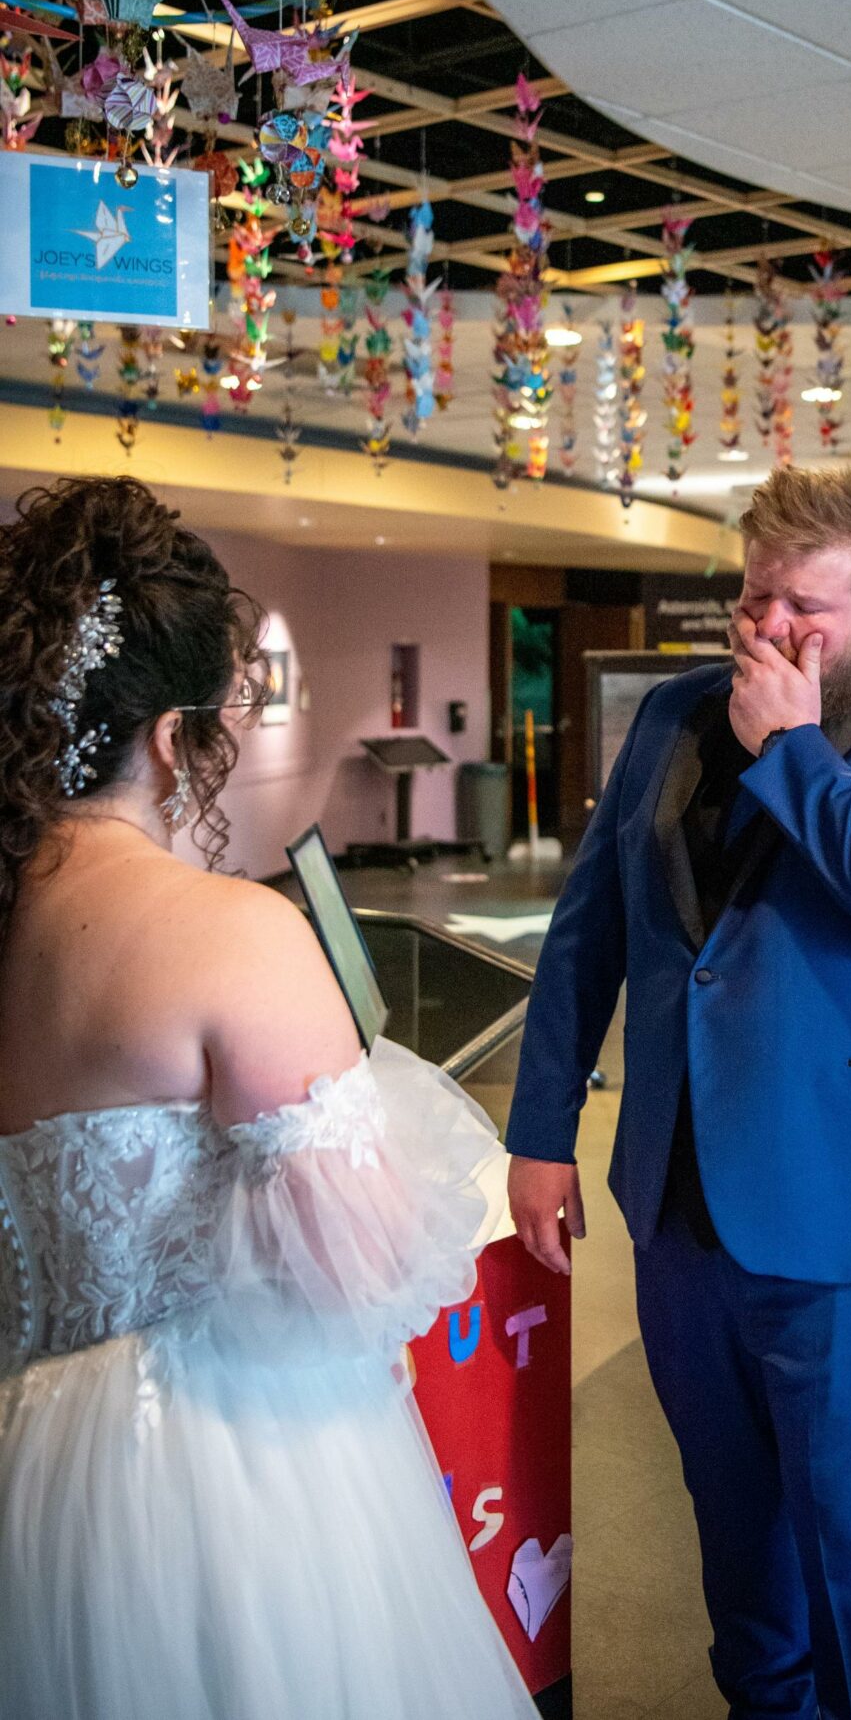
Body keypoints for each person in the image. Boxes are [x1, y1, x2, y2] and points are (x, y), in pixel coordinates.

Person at [0, 476, 538, 1720]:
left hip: (33, 1448)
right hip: (210, 1468)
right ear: (169, 737)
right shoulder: (230, 933)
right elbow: (363, 1270)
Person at [508, 465, 851, 1720]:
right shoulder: (674, 715)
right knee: (731, 1519)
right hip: (680, 1195)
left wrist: (791, 748)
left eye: (806, 607)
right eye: (754, 600)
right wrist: (541, 1130)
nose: (771, 630)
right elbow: (589, 931)